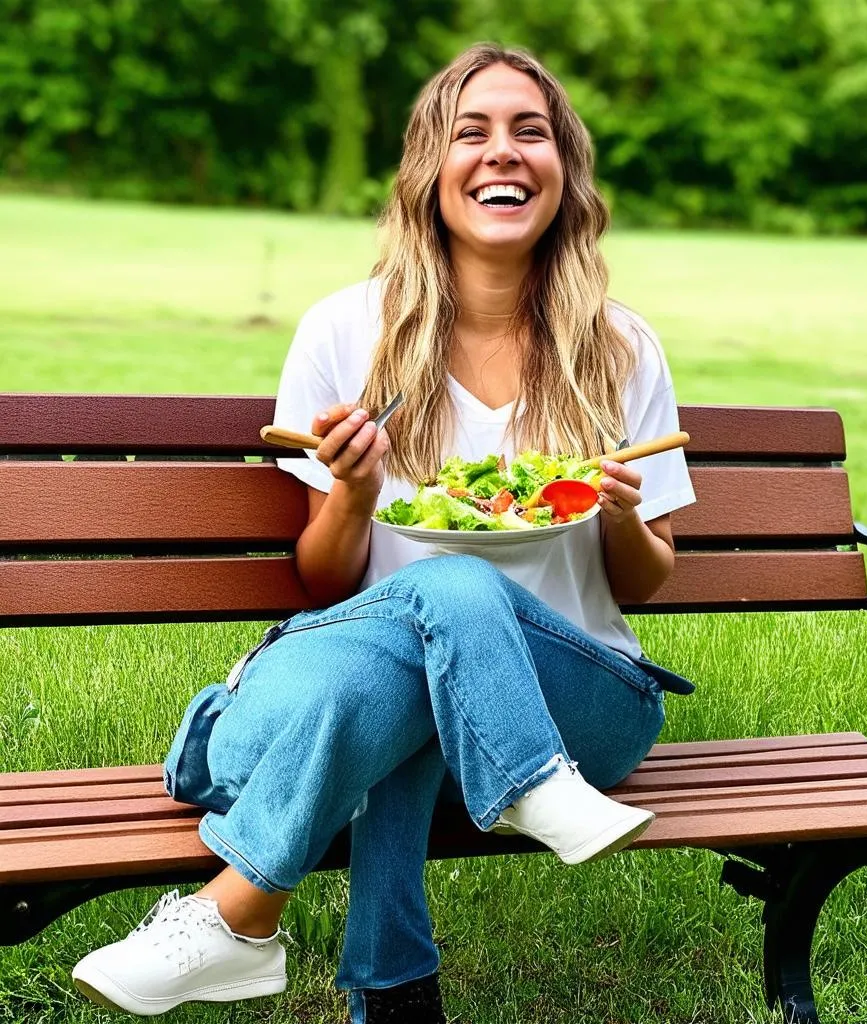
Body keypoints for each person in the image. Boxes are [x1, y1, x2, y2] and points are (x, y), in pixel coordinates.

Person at [71, 42, 696, 1023]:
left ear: (565, 171)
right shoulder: (343, 334)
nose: (503, 153)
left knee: (449, 597)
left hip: (580, 695)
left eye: (530, 132)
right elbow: (327, 579)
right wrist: (355, 492)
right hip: (387, 694)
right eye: (471, 131)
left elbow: (647, 580)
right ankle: (399, 981)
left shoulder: (618, 348)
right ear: (428, 170)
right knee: (428, 639)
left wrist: (618, 509)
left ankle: (237, 916)